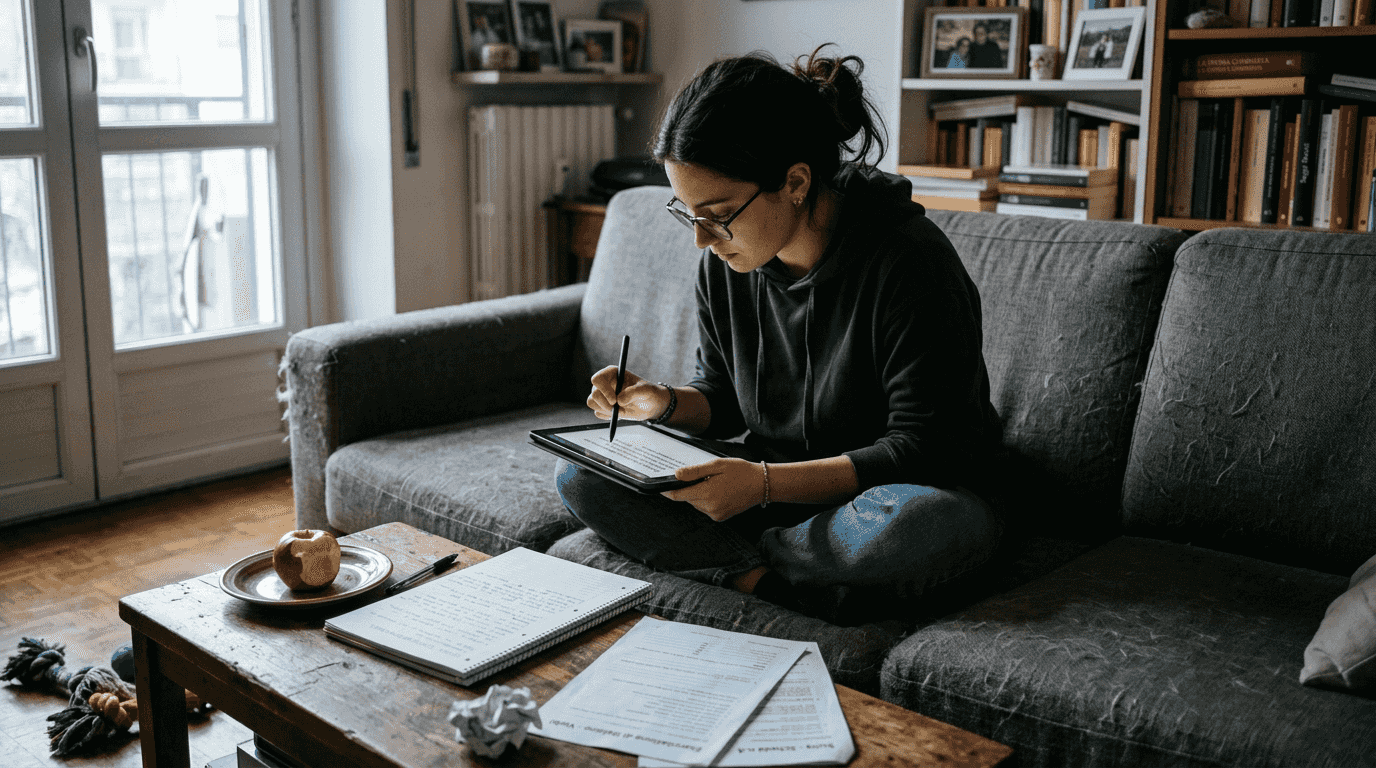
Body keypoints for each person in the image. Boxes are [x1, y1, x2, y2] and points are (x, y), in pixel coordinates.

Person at [554, 45, 1007, 615]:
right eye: (687, 213)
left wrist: (762, 486)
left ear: (795, 181)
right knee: (581, 472)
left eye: (716, 215)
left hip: (894, 492)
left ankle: (737, 559)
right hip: (774, 491)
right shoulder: (726, 263)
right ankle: (774, 580)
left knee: (923, 527)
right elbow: (724, 399)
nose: (701, 237)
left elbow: (924, 450)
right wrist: (662, 403)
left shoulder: (910, 263)